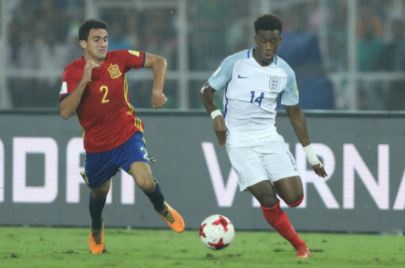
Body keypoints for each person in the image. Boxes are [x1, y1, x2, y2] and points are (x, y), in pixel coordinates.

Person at [201, 14, 327, 259]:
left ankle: (277, 199)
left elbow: (295, 113)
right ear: (255, 39)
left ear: (279, 40)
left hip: (269, 138)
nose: (269, 47)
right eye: (264, 41)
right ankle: (300, 246)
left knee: (294, 198)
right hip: (238, 140)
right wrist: (216, 115)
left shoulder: (285, 72)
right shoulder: (235, 63)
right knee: (267, 196)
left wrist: (312, 156)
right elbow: (206, 91)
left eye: (274, 41)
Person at [58, 19, 185, 255]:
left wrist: (157, 91)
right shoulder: (73, 71)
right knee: (99, 192)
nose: (103, 44)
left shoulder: (119, 58)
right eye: (96, 39)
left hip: (127, 133)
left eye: (105, 39)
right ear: (83, 43)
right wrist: (84, 81)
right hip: (97, 146)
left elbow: (159, 61)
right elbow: (65, 111)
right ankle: (96, 228)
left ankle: (161, 206)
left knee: (145, 180)